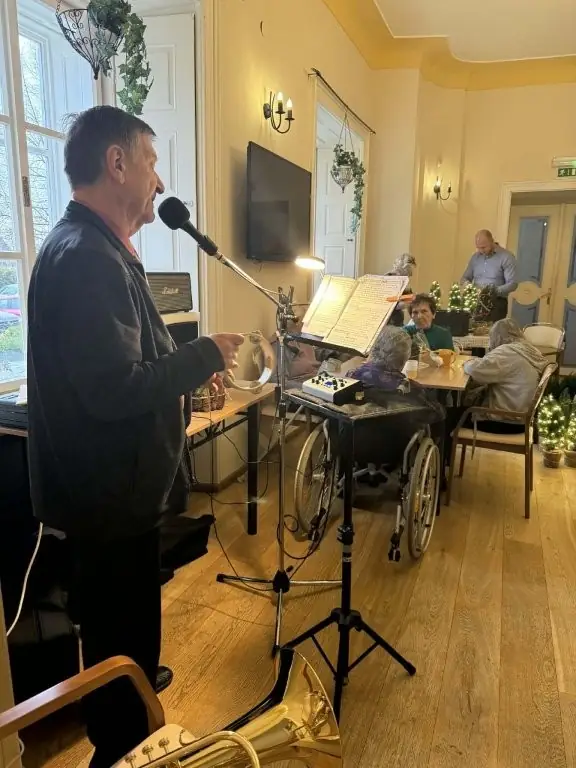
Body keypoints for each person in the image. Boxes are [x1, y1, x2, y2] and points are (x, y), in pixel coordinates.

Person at [27, 106, 244, 768]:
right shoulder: (87, 259)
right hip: (110, 502)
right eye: (151, 160)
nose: (159, 179)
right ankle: (124, 745)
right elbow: (115, 390)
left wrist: (187, 367)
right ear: (116, 163)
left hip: (118, 499)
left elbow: (126, 364)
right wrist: (205, 354)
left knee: (125, 641)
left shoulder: (97, 248)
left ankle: (131, 704)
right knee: (122, 644)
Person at [461, 318, 548, 433]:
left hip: (503, 421)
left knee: (455, 415)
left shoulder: (506, 352)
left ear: (497, 336)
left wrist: (466, 362)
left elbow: (475, 370)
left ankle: (449, 442)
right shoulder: (529, 349)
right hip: (523, 419)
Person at [461, 229, 518, 321]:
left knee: (491, 329)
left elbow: (513, 284)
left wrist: (492, 291)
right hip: (475, 301)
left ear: (492, 241)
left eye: (484, 247)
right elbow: (464, 278)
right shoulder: (475, 257)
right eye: (478, 248)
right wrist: (469, 286)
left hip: (496, 303)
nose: (481, 251)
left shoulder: (506, 257)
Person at [386, 253, 416, 327]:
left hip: (397, 321)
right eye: (409, 271)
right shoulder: (389, 279)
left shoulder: (402, 280)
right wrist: (402, 303)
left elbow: (409, 296)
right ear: (403, 268)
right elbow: (387, 301)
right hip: (389, 322)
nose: (411, 274)